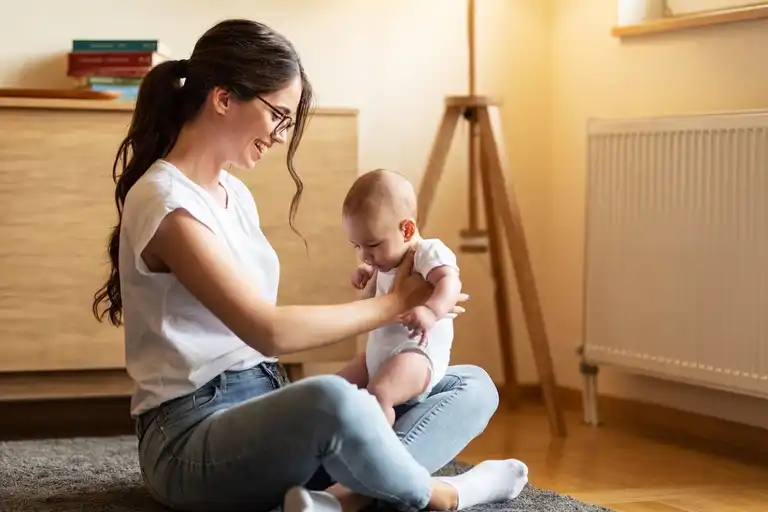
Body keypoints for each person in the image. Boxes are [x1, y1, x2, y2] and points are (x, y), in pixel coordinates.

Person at [91, 18, 529, 512]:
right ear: (223, 98)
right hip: (190, 442)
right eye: (278, 114)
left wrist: (371, 370)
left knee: (470, 384)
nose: (281, 135)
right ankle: (450, 495)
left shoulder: (233, 194)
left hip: (263, 412)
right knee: (336, 401)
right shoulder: (165, 202)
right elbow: (268, 331)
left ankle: (335, 502)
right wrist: (395, 303)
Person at [337, 169, 462, 426]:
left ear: (406, 230)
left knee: (379, 394)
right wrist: (366, 276)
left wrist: (430, 310)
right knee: (335, 389)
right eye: (357, 246)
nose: (364, 256)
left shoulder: (427, 252)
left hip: (416, 353)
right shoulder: (383, 262)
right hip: (378, 353)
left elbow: (450, 281)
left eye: (371, 245)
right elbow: (370, 304)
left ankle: (380, 454)